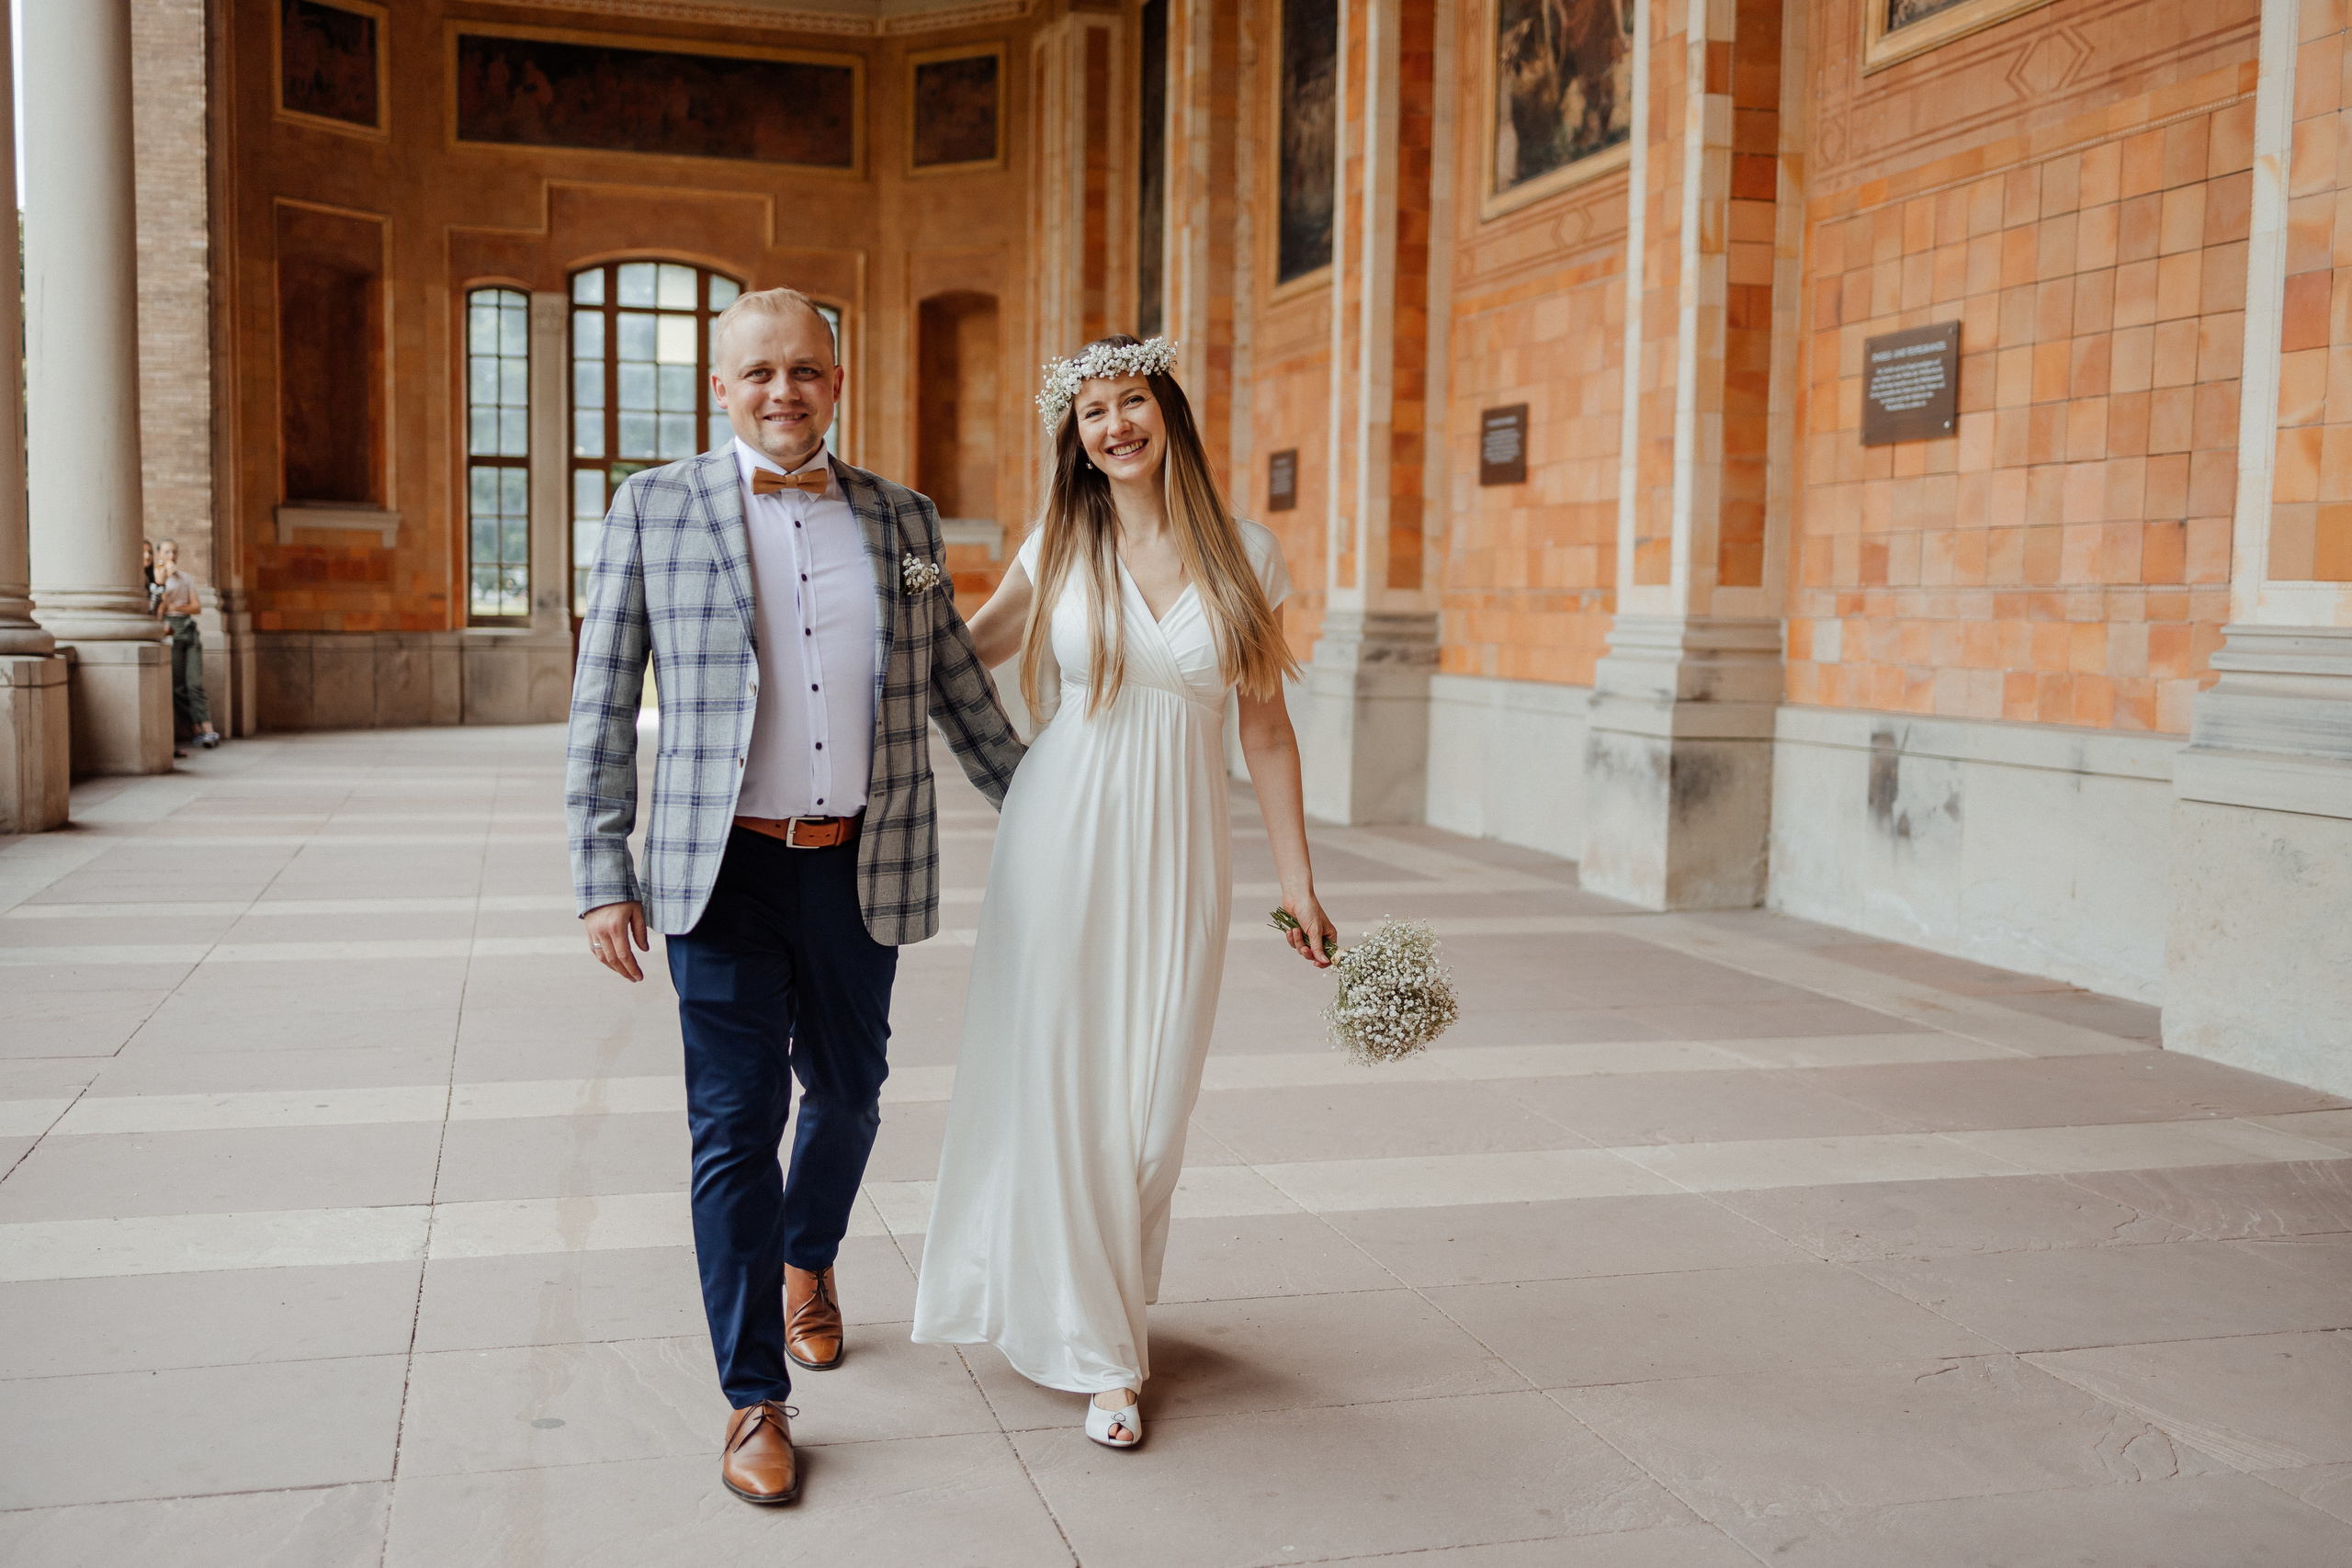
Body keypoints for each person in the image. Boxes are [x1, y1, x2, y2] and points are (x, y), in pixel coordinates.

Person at [563, 288, 1025, 1507]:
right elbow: (603, 702)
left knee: (855, 1090)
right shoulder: (653, 508)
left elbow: (957, 687)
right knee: (733, 1124)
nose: (783, 391)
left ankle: (808, 1257)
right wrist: (597, 870)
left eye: (805, 370)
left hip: (859, 856)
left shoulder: (903, 519)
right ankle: (753, 1395)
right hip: (718, 871)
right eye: (759, 371)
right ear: (720, 385)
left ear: (837, 376)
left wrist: (1044, 803)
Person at [910, 334, 1337, 1450]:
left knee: (1151, 1107)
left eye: (1131, 400)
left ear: (1167, 412)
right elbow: (969, 651)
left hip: (1183, 843)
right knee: (1063, 1083)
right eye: (1092, 411)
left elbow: (1266, 729)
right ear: (1078, 440)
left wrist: (1300, 884)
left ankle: (1091, 1293)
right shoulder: (1060, 538)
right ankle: (1102, 1354)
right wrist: (890, 610)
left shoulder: (1246, 554)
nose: (1114, 424)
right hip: (1059, 831)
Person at [152, 539, 220, 752]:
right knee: (177, 686)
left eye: (174, 551)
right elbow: (158, 609)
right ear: (159, 554)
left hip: (189, 630)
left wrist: (179, 606)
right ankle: (194, 730)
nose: (172, 555)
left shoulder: (186, 578)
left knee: (195, 683)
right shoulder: (156, 577)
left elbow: (197, 607)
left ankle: (208, 729)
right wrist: (166, 589)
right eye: (167, 552)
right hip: (171, 631)